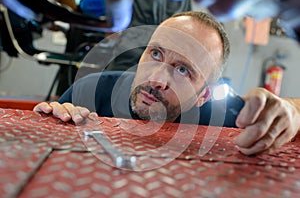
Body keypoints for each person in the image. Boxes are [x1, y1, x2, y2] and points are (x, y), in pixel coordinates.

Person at [34, 11, 300, 156]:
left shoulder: (227, 114)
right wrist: (54, 118)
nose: (156, 79)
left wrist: (290, 110)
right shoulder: (90, 90)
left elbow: (283, 112)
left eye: (183, 70)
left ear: (204, 95)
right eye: (156, 54)